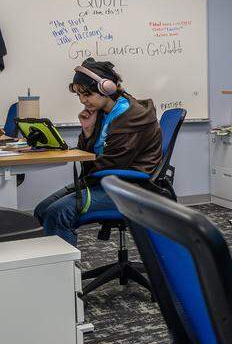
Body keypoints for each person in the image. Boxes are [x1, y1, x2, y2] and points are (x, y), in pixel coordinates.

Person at [34, 59, 163, 246]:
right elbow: (91, 158)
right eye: (79, 95)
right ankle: (55, 265)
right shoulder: (102, 112)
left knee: (59, 212)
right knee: (42, 209)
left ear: (107, 88)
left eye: (87, 94)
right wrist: (87, 131)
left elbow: (112, 164)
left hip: (129, 186)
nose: (83, 100)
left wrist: (86, 175)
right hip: (105, 180)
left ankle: (61, 274)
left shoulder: (131, 117)